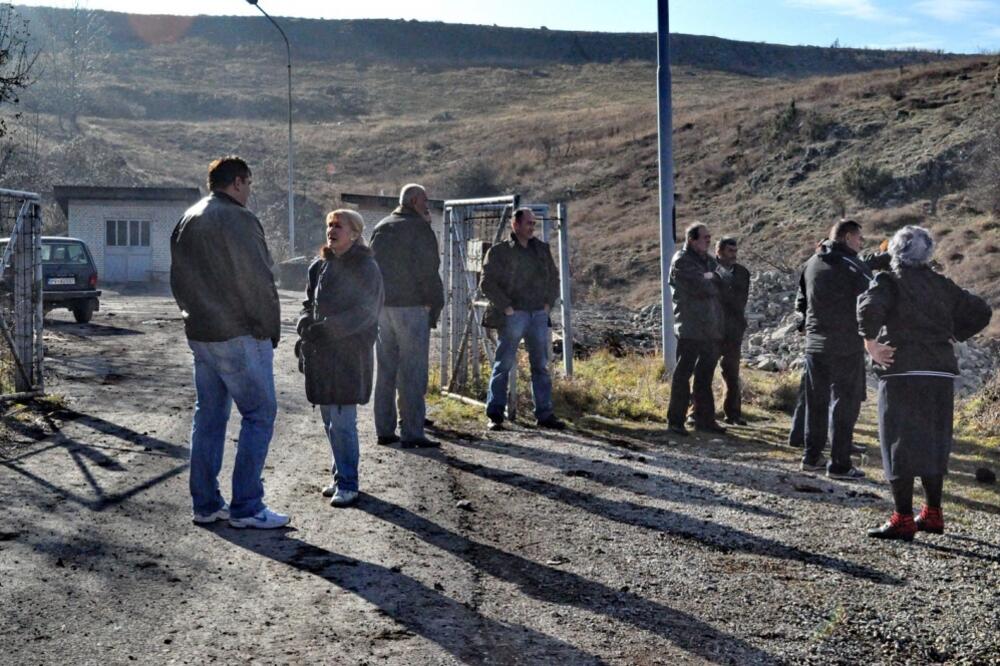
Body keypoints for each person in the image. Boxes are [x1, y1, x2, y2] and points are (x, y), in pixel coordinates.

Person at [170, 156, 289, 529]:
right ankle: (248, 507)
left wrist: (193, 317)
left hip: (202, 334)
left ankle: (206, 505)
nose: (250, 191)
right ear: (237, 182)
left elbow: (178, 280)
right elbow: (257, 280)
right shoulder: (238, 219)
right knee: (259, 414)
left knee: (209, 416)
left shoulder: (188, 218)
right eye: (249, 184)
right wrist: (269, 329)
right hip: (239, 333)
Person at [858, 226, 991, 540]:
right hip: (940, 371)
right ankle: (933, 513)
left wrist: (870, 343)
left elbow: (869, 308)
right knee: (934, 442)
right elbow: (981, 310)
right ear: (928, 252)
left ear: (894, 251)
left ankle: (903, 518)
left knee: (898, 443)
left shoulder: (888, 280)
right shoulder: (941, 284)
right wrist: (955, 333)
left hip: (902, 370)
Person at [297, 210, 384, 508]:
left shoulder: (366, 268)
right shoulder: (318, 267)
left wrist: (329, 329)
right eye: (329, 225)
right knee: (329, 419)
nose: (331, 230)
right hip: (321, 355)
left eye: (338, 226)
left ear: (355, 233)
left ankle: (349, 483)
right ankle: (339, 476)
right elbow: (308, 303)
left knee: (343, 420)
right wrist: (306, 324)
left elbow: (366, 312)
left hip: (349, 355)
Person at [795, 219, 873, 479]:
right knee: (844, 403)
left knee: (816, 402)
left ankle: (811, 456)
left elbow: (801, 301)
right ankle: (840, 464)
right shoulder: (852, 265)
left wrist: (804, 325)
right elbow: (871, 298)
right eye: (860, 239)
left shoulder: (811, 263)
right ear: (849, 237)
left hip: (815, 344)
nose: (861, 244)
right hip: (845, 344)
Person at [369, 184, 444, 449]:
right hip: (412, 307)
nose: (428, 205)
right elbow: (429, 269)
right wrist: (431, 304)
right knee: (412, 372)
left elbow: (371, 268)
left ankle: (384, 429)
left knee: (386, 370)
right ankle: (412, 431)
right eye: (425, 200)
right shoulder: (419, 229)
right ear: (414, 201)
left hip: (382, 309)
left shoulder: (382, 226)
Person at [480, 207, 564, 431]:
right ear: (515, 225)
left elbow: (554, 279)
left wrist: (548, 304)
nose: (532, 227)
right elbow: (486, 282)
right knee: (503, 364)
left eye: (534, 224)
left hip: (537, 313)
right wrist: (506, 307)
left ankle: (544, 414)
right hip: (513, 314)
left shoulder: (541, 250)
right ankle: (495, 414)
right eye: (528, 223)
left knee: (541, 366)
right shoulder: (499, 252)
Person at [666, 223, 725, 436]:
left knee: (705, 375)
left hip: (710, 326)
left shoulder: (708, 260)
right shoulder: (681, 260)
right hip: (690, 327)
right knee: (684, 374)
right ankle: (675, 421)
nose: (709, 241)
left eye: (710, 238)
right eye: (705, 238)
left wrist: (710, 278)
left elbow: (721, 279)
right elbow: (700, 286)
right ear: (692, 239)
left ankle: (704, 419)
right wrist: (709, 278)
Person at [713, 236, 751, 426]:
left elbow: (739, 300)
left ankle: (733, 414)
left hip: (733, 329)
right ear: (718, 251)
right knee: (703, 372)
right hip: (711, 328)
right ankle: (698, 413)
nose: (733, 255)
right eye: (730, 251)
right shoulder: (708, 270)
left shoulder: (743, 273)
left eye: (735, 251)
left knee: (732, 374)